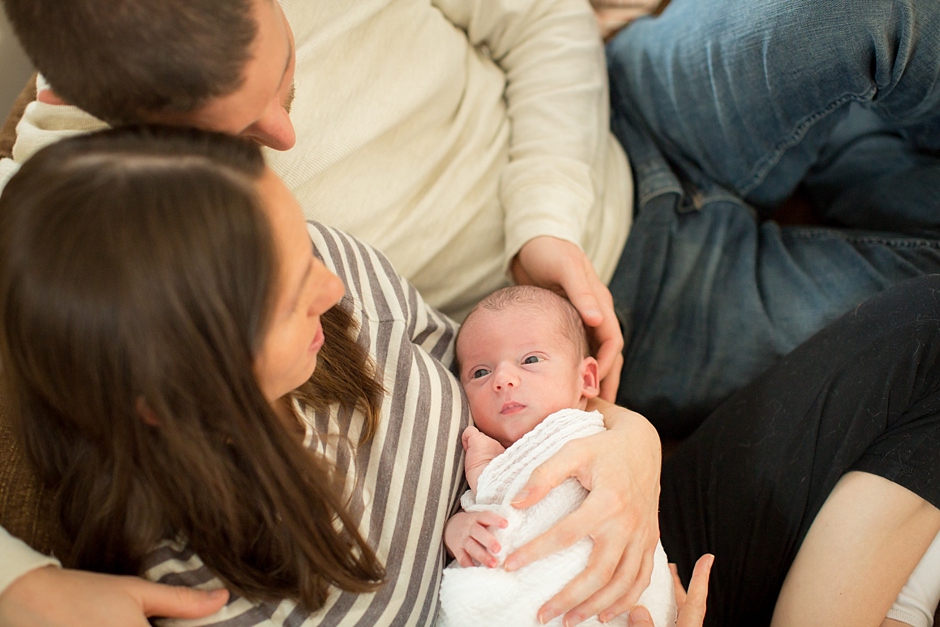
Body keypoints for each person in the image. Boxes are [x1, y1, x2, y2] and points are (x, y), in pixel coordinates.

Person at [1, 128, 938, 627]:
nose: (333, 284)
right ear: (181, 391)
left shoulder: (336, 274)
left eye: (302, 242)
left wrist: (632, 445)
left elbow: (525, 388)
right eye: (293, 297)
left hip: (639, 517)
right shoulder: (200, 579)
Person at [3, 0, 940, 436]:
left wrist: (546, 223)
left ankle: (857, 155)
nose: (284, 136)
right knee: (925, 337)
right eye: (238, 138)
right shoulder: (77, 202)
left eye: (286, 82)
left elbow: (539, 20)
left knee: (873, 12)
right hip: (598, 332)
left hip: (621, 106)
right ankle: (859, 156)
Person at [438, 285, 675, 626]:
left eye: (530, 360)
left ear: (587, 378)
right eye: (481, 372)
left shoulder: (591, 435)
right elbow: (489, 509)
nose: (503, 379)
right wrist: (457, 532)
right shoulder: (481, 453)